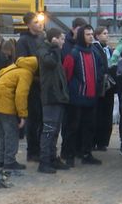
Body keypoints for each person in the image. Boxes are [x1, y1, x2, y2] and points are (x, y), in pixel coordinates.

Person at [62, 25, 104, 167]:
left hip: (91, 98)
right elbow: (66, 75)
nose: (91, 36)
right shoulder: (73, 54)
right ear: (81, 36)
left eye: (92, 34)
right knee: (72, 128)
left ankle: (86, 154)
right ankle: (69, 155)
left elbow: (100, 71)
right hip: (76, 98)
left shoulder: (95, 53)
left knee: (89, 128)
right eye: (87, 34)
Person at [0, 56, 37, 170]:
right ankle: (9, 161)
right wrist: (22, 114)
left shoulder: (14, 66)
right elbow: (21, 95)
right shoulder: (26, 73)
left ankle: (0, 160)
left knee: (2, 134)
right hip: (5, 104)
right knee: (11, 133)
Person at [38, 28, 71, 173]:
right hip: (50, 96)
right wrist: (55, 48)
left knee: (55, 130)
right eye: (62, 39)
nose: (64, 42)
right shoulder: (45, 50)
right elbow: (49, 63)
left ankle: (52, 158)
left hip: (58, 97)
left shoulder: (53, 51)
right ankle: (44, 161)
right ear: (54, 39)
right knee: (49, 130)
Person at [15, 12, 45, 162]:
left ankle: (40, 148)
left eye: (39, 22)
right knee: (33, 119)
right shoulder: (23, 41)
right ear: (28, 24)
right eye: (35, 22)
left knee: (42, 119)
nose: (39, 24)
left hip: (43, 84)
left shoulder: (42, 38)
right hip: (32, 84)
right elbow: (22, 63)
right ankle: (32, 151)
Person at [93, 26, 116, 151]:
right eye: (104, 33)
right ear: (97, 36)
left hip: (109, 87)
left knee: (107, 113)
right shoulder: (95, 49)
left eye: (107, 33)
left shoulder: (109, 50)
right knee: (99, 114)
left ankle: (103, 141)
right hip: (101, 86)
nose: (107, 36)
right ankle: (97, 140)